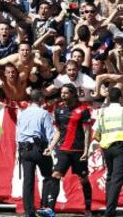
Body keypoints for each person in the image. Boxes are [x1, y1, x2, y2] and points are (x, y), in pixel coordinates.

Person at [39, 83, 93, 217]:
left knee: (84, 179)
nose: (62, 95)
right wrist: (50, 147)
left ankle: (88, 209)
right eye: (61, 93)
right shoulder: (58, 110)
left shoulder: (83, 110)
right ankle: (50, 209)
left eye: (66, 93)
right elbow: (58, 131)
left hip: (78, 151)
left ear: (73, 94)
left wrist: (86, 150)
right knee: (55, 175)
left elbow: (87, 132)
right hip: (63, 149)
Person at [92, 87, 123, 217]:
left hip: (106, 147)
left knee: (110, 177)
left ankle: (109, 207)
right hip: (121, 146)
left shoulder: (101, 112)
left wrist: (103, 142)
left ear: (108, 98)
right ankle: (110, 211)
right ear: (120, 98)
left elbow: (96, 134)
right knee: (117, 179)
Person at [16, 89, 58, 217]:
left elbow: (18, 134)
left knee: (28, 181)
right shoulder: (44, 113)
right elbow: (50, 134)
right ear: (40, 99)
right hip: (38, 148)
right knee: (49, 176)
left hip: (24, 148)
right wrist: (52, 147)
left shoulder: (22, 113)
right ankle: (45, 206)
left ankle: (29, 212)